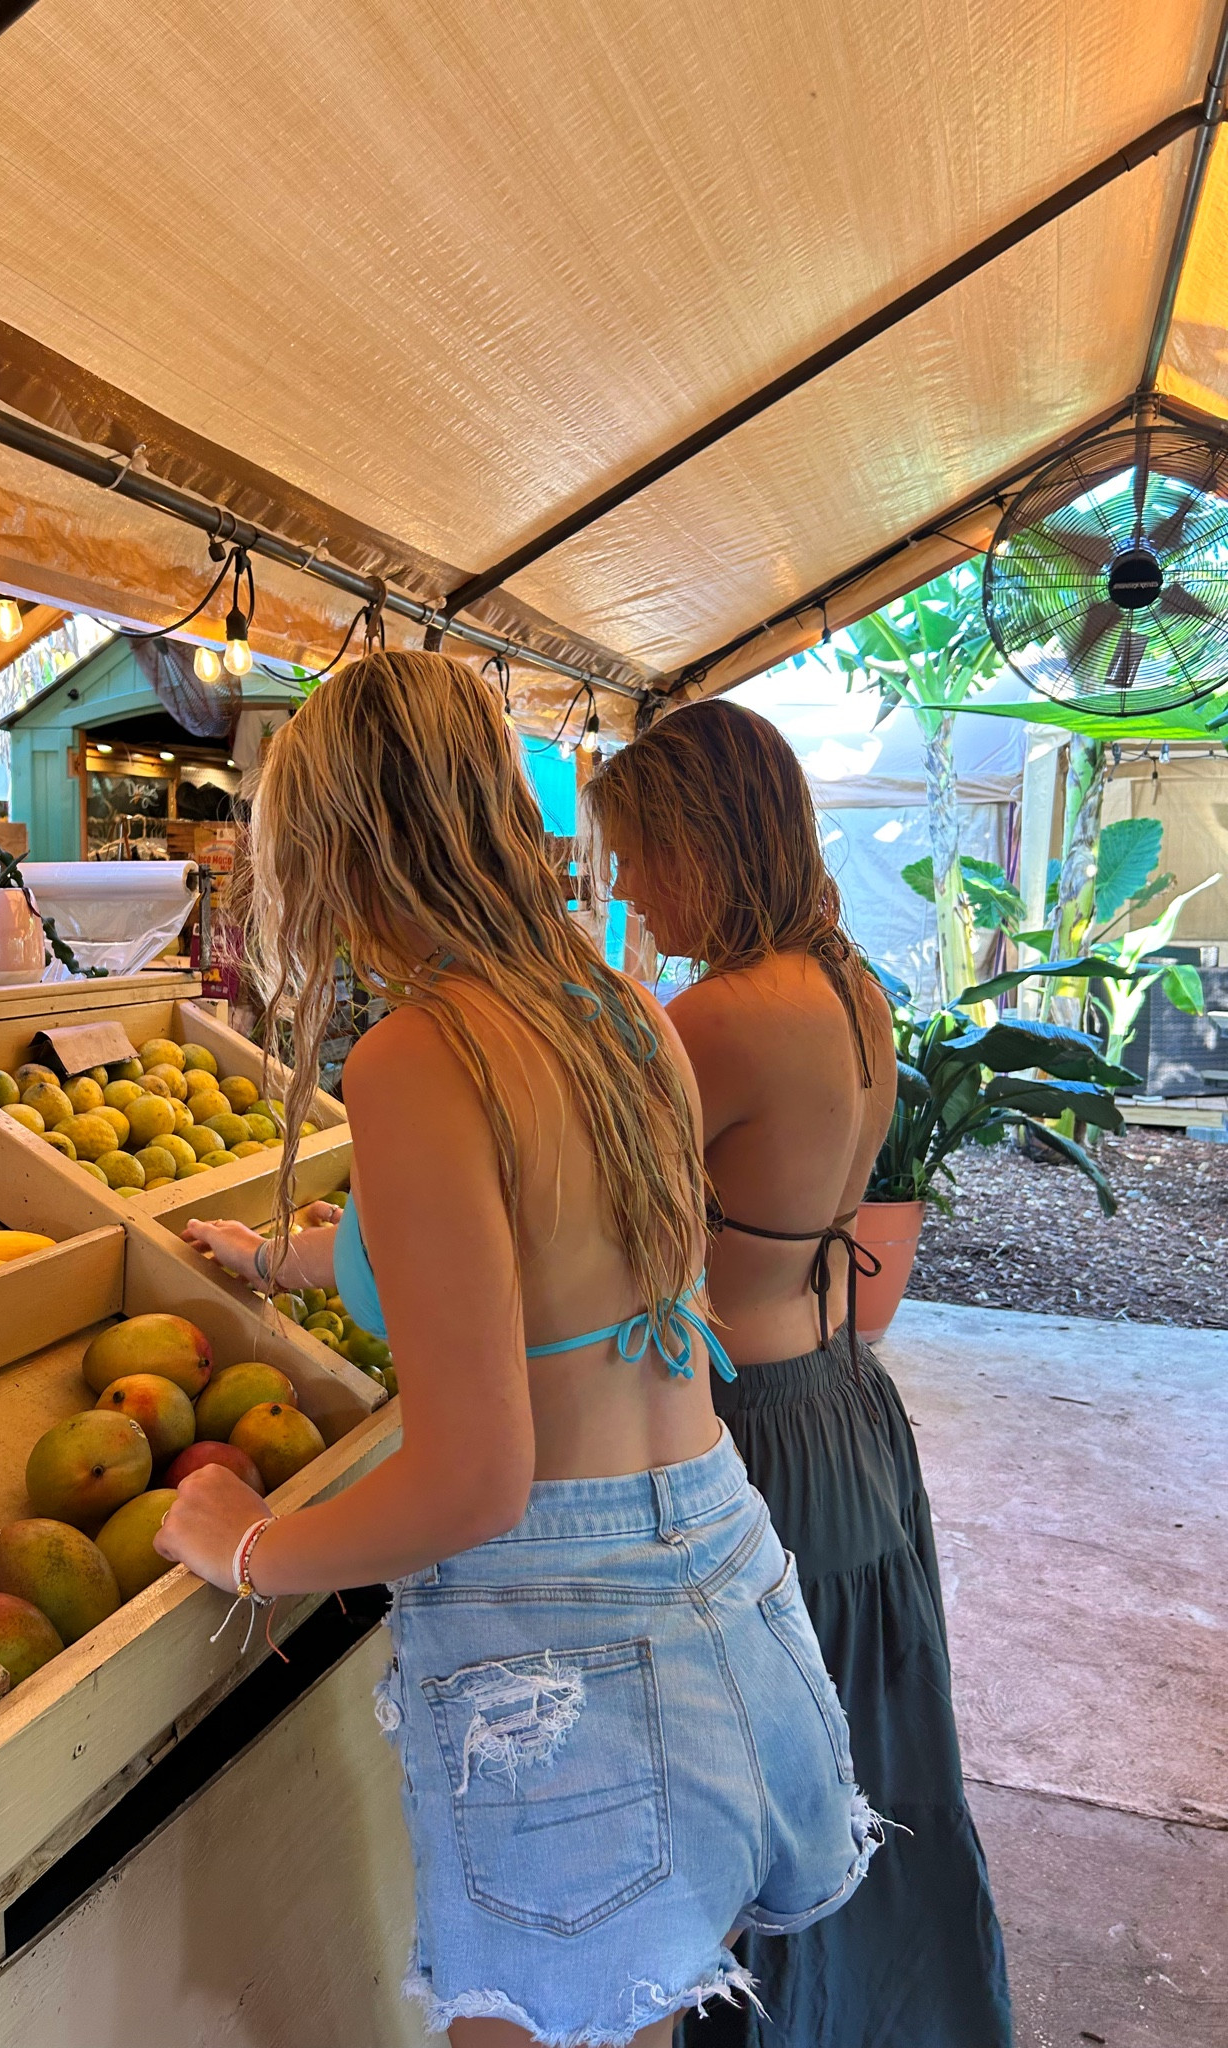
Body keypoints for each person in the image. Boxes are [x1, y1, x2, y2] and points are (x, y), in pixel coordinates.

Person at [155, 651, 881, 2048]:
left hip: (576, 1653)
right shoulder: (619, 1016)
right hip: (729, 1584)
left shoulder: (418, 1054)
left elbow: (475, 1483)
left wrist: (244, 1543)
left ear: (335, 843)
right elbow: (554, 1265)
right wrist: (282, 1257)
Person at [585, 699, 1012, 2048]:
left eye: (643, 856)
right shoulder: (850, 988)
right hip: (844, 1407)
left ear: (705, 841)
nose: (638, 896)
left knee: (752, 1807)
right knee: (861, 1772)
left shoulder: (712, 1018)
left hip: (753, 1440)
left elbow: (553, 1213)